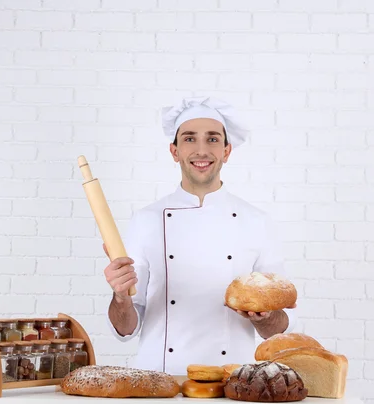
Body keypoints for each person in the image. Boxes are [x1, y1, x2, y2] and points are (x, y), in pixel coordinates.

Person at [103, 97, 298, 375]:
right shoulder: (145, 220)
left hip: (232, 380)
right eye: (190, 139)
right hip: (159, 379)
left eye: (213, 139)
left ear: (227, 151)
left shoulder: (257, 222)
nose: (202, 150)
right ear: (174, 151)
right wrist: (121, 296)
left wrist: (264, 317)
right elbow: (125, 330)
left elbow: (278, 330)